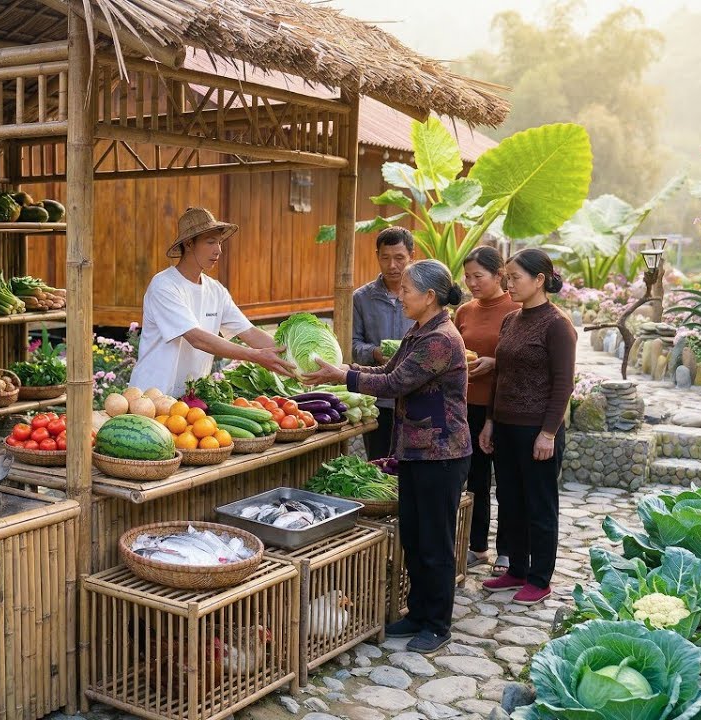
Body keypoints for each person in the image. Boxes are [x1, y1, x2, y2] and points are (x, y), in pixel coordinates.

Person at [304, 259, 471, 654]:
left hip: (441, 455)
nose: (400, 296)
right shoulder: (418, 331)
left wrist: (343, 377)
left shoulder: (441, 339)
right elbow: (389, 367)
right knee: (413, 536)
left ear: (430, 296)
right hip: (415, 452)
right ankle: (417, 612)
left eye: (408, 291)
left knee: (435, 542)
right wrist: (345, 369)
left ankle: (437, 624)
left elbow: (396, 383)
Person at [479, 248, 575, 605]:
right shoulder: (511, 320)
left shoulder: (557, 324)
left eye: (515, 277)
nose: (509, 283)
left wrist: (548, 433)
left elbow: (564, 383)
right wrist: (489, 421)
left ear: (539, 280)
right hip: (505, 426)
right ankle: (516, 569)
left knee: (540, 505)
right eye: (507, 276)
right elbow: (500, 375)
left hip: (538, 431)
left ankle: (540, 577)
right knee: (510, 501)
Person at [129, 207, 296, 397]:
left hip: (190, 400)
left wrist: (293, 356)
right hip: (150, 397)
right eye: (210, 242)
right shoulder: (164, 285)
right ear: (189, 244)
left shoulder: (215, 290)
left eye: (219, 243)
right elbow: (197, 338)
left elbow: (248, 332)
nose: (218, 250)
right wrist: (254, 356)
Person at [453, 247, 519, 576]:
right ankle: (476, 546)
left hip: (504, 409)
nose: (472, 282)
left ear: (498, 275)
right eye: (467, 277)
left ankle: (506, 550)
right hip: (467, 406)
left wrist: (496, 364)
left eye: (479, 276)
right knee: (474, 480)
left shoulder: (518, 309)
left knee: (506, 481)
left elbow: (525, 360)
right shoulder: (463, 312)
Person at [352, 226, 417, 460]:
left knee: (409, 470)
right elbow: (352, 344)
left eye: (399, 258)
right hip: (377, 400)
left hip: (414, 401)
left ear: (412, 256)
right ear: (377, 256)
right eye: (385, 258)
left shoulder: (424, 296)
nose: (392, 266)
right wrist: (375, 353)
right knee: (378, 466)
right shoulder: (361, 298)